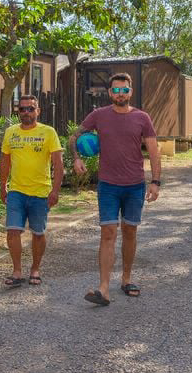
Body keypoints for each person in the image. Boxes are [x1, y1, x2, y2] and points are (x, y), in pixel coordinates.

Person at [69, 72, 161, 306]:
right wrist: (76, 157)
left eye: (124, 90)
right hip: (108, 185)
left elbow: (153, 150)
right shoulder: (99, 116)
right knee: (108, 232)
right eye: (116, 90)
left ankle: (127, 278)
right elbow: (74, 136)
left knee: (130, 231)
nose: (120, 94)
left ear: (130, 92)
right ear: (110, 93)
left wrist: (155, 181)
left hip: (135, 185)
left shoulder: (142, 118)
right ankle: (103, 289)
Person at [0, 94, 64, 287]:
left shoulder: (48, 132)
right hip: (16, 191)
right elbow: (5, 162)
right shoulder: (11, 132)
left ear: (38, 111)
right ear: (18, 111)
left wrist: (55, 190)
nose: (26, 112)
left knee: (38, 233)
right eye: (22, 109)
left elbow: (58, 164)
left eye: (30, 108)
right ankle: (17, 271)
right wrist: (3, 186)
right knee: (12, 231)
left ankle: (35, 268)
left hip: (40, 193)